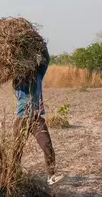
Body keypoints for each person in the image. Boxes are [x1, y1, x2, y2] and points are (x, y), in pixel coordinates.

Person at [12, 41, 64, 186]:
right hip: (21, 118)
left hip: (36, 118)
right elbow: (12, 64)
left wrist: (41, 43)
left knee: (47, 145)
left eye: (32, 63)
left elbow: (46, 59)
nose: (30, 66)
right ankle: (13, 174)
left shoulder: (39, 74)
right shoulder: (18, 78)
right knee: (17, 150)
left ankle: (51, 176)